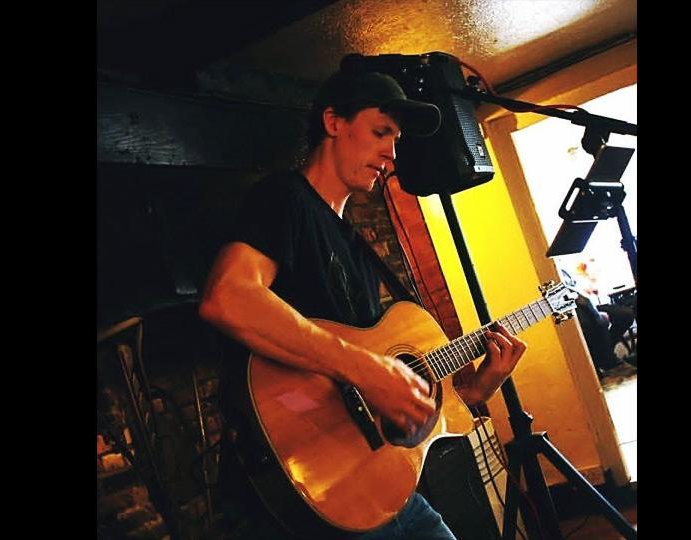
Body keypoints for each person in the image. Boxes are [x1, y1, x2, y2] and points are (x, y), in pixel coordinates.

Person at [199, 66, 528, 539]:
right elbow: (227, 298)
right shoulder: (284, 199)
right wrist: (368, 371)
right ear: (334, 122)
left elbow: (376, 397)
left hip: (381, 489)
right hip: (307, 498)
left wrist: (471, 394)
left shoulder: (354, 244)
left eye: (395, 139)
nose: (391, 154)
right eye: (380, 132)